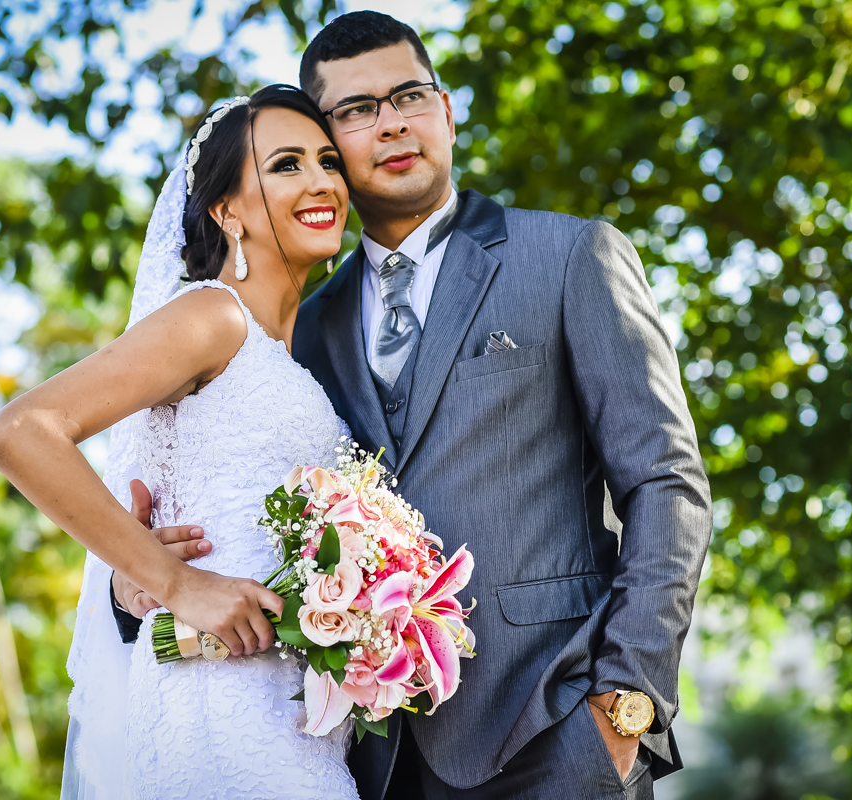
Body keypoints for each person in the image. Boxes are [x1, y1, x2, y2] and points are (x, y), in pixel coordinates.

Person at [115, 10, 713, 800]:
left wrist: (624, 710)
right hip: (366, 760)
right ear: (330, 150)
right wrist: (140, 585)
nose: (391, 124)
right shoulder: (303, 328)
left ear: (447, 110)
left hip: (556, 735)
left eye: (409, 96)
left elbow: (666, 483)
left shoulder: (570, 255)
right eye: (356, 112)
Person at [0, 85, 361, 799]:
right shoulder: (213, 316)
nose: (321, 182)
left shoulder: (290, 354)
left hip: (296, 725)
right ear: (227, 210)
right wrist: (175, 581)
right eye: (286, 165)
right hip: (221, 714)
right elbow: (21, 432)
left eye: (328, 161)